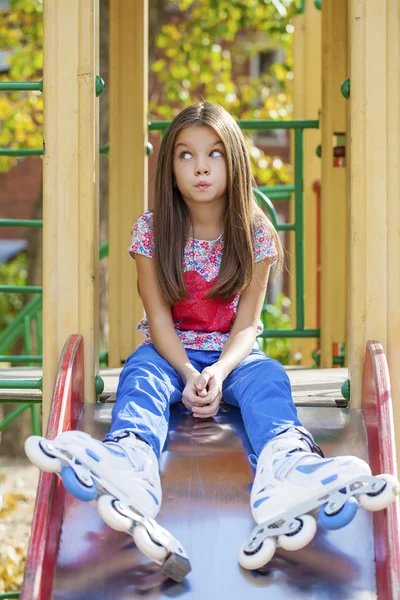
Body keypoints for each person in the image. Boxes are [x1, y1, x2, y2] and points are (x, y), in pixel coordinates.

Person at [25, 102, 399, 580]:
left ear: (234, 160)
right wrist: (185, 372)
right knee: (140, 373)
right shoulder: (152, 229)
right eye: (185, 155)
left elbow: (246, 325)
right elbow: (157, 318)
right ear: (170, 167)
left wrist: (219, 371)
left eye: (215, 153)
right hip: (170, 350)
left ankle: (286, 465)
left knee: (268, 377)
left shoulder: (257, 235)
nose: (200, 166)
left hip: (232, 354)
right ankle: (132, 458)